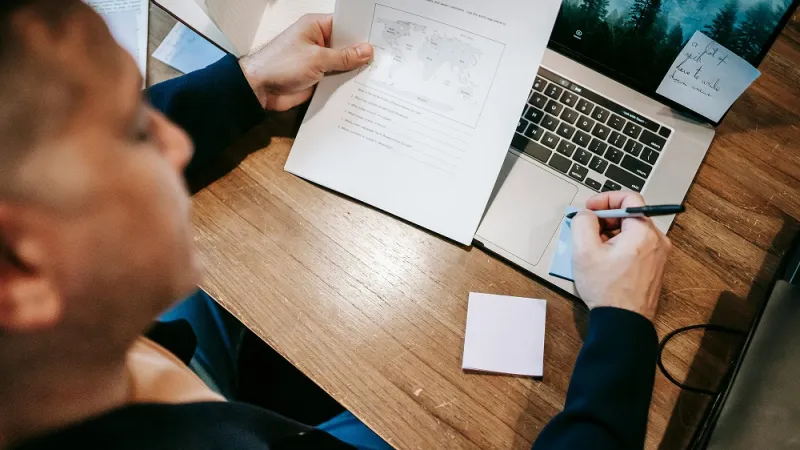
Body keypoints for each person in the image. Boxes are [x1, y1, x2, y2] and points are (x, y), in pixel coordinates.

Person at [0, 1, 671, 449]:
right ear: (22, 269)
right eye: (131, 133)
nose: (172, 144)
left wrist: (247, 83)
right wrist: (623, 321)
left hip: (160, 356)